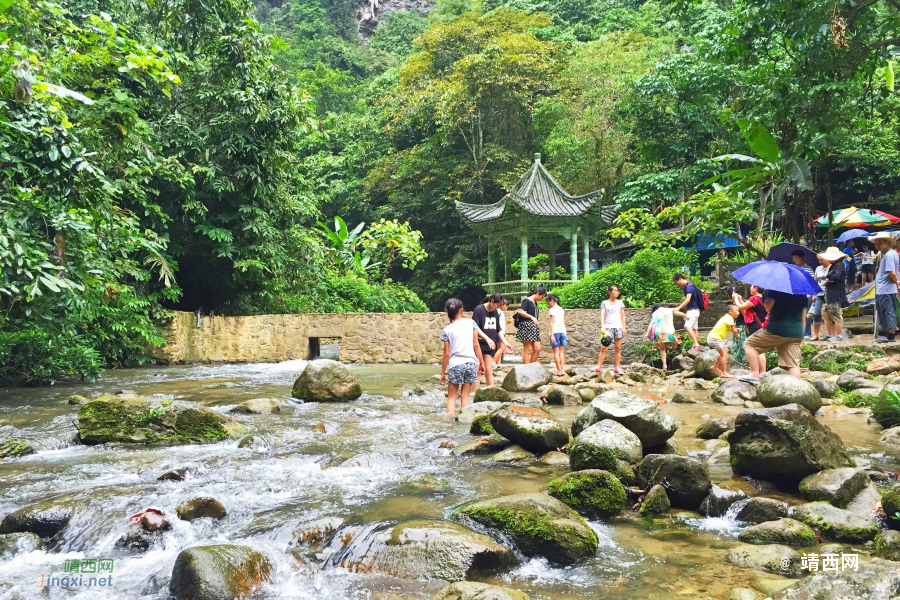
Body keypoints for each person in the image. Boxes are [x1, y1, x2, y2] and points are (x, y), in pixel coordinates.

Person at [741, 290, 808, 382]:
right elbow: (803, 315)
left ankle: (754, 374)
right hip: (797, 332)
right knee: (793, 364)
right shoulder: (802, 294)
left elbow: (767, 307)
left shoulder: (775, 290)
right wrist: (801, 333)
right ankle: (794, 388)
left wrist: (767, 298)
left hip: (777, 329)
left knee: (749, 345)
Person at [439, 298, 484, 414]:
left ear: (448, 313)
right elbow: (476, 345)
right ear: (461, 311)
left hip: (455, 365)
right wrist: (481, 363)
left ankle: (450, 424)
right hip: (470, 363)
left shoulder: (447, 330)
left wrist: (443, 373)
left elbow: (446, 354)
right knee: (465, 397)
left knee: (452, 398)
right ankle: (463, 422)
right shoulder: (471, 323)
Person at [472, 294, 512, 388]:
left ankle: (492, 392)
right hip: (479, 343)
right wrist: (487, 338)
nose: (496, 308)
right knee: (478, 370)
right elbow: (475, 327)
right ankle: (475, 394)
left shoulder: (495, 312)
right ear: (492, 301)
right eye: (496, 306)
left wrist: (506, 343)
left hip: (490, 345)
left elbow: (498, 330)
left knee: (489, 370)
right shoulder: (479, 309)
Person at [870, 232, 900, 343]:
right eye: (876, 244)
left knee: (888, 311)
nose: (877, 246)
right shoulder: (889, 254)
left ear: (887, 242)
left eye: (879, 243)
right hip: (883, 289)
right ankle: (888, 333)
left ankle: (891, 335)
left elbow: (891, 272)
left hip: (886, 289)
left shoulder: (889, 255)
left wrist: (896, 282)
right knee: (884, 311)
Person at [594, 285, 627, 374]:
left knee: (618, 348)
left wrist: (624, 328)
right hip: (608, 327)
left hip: (618, 327)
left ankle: (617, 367)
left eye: (617, 291)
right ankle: (598, 366)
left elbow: (623, 316)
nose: (616, 292)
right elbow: (602, 315)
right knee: (604, 348)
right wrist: (602, 326)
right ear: (609, 292)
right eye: (614, 290)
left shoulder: (620, 303)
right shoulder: (605, 303)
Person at [819, 247, 849, 341]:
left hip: (836, 295)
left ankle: (839, 335)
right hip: (829, 294)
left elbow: (836, 276)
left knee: (836, 314)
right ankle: (830, 334)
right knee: (825, 313)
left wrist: (828, 280)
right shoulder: (833, 265)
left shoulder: (840, 265)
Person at [706, 304, 741, 379]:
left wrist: (735, 330)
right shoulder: (730, 318)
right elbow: (733, 330)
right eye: (737, 311)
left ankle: (715, 366)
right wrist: (737, 334)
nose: (739, 313)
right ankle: (724, 373)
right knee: (724, 353)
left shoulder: (726, 317)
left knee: (726, 350)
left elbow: (727, 328)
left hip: (713, 338)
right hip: (715, 338)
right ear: (730, 311)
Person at [791, 249, 817, 341]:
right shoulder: (793, 269)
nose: (794, 260)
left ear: (801, 257)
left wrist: (813, 294)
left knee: (806, 315)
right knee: (797, 314)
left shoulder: (808, 269)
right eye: (793, 258)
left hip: (807, 295)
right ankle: (799, 331)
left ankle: (806, 333)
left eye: (795, 258)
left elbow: (813, 282)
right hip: (796, 295)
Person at [516, 287, 546, 364]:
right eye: (542, 297)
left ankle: (532, 366)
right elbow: (520, 311)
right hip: (526, 325)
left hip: (533, 327)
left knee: (537, 349)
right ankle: (526, 369)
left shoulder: (534, 303)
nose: (541, 299)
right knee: (528, 350)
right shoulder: (527, 301)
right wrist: (531, 317)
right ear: (538, 294)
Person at [646, 304, 679, 371]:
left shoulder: (655, 313)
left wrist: (647, 333)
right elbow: (677, 312)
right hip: (668, 331)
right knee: (676, 342)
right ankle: (658, 346)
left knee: (662, 349)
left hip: (658, 332)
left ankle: (664, 366)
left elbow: (651, 323)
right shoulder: (667, 310)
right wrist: (686, 316)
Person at [672, 273, 701, 351]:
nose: (676, 284)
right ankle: (695, 346)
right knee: (695, 329)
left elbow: (688, 299)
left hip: (693, 310)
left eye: (676, 282)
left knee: (687, 326)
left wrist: (678, 307)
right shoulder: (689, 286)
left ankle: (696, 344)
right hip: (694, 310)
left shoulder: (689, 287)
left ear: (680, 279)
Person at [546, 294, 567, 376]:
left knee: (556, 352)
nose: (548, 304)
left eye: (547, 302)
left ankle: (558, 371)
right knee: (561, 352)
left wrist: (552, 335)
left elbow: (552, 323)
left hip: (555, 332)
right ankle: (563, 370)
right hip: (563, 332)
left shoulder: (552, 309)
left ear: (551, 300)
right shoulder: (561, 309)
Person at [808, 261, 827, 341]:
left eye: (822, 259)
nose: (820, 261)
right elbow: (815, 282)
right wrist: (813, 294)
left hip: (828, 294)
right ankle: (816, 335)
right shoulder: (818, 268)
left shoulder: (832, 268)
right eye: (819, 259)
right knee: (816, 313)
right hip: (819, 294)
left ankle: (831, 333)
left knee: (829, 315)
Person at [495, 298, 510, 367]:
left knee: (499, 348)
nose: (506, 308)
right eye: (506, 306)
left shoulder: (500, 312)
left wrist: (506, 323)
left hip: (500, 332)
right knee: (502, 348)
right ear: (502, 305)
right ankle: (493, 363)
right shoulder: (498, 311)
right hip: (499, 333)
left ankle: (499, 364)